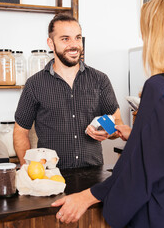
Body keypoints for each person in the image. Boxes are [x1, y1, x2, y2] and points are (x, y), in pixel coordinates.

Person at [51, 0, 164, 227]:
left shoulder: (159, 87)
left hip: (160, 213)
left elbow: (139, 171)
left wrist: (89, 196)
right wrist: (137, 134)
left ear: (162, 35)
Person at [14, 13, 123, 169]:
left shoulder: (100, 79)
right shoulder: (34, 84)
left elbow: (117, 122)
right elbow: (20, 131)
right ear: (50, 43)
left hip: (93, 175)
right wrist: (29, 170)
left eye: (77, 38)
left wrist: (108, 131)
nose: (74, 45)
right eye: (65, 39)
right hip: (52, 175)